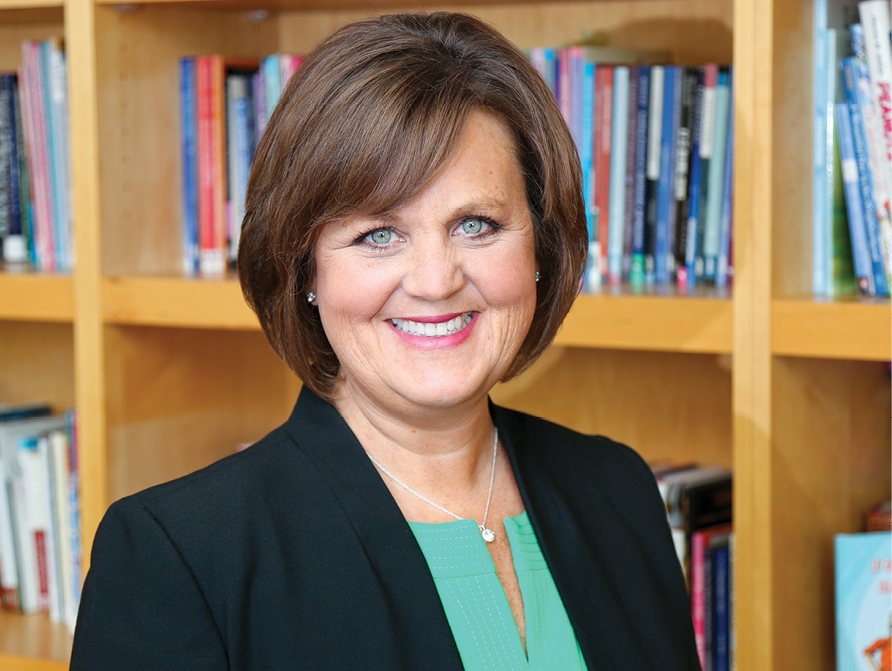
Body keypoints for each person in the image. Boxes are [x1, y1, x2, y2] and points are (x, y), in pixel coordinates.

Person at [70, 12, 699, 670]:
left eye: (476, 224)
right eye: (379, 235)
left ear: (541, 246)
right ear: (305, 269)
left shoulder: (618, 489)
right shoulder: (181, 557)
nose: (435, 281)